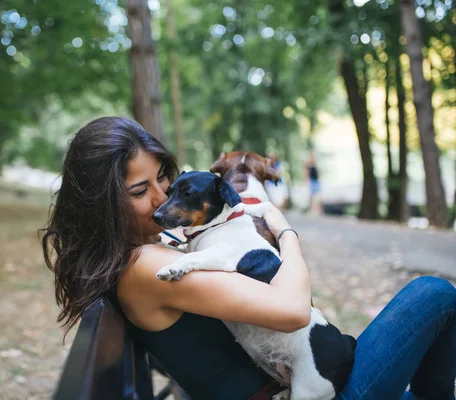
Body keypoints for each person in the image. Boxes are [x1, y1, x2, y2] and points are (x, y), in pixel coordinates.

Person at [42, 116, 456, 400]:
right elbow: (293, 310)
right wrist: (285, 231)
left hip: (298, 379)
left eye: (163, 178)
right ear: (100, 202)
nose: (160, 198)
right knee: (434, 294)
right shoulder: (146, 267)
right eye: (138, 191)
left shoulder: (147, 254)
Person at [305, 151, 323, 215]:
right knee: (311, 196)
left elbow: (317, 173)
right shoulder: (309, 165)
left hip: (316, 181)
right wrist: (307, 181)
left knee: (319, 196)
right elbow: (307, 173)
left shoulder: (315, 164)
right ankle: (310, 209)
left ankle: (320, 210)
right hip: (312, 181)